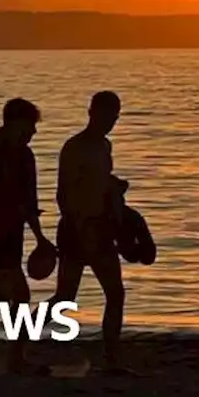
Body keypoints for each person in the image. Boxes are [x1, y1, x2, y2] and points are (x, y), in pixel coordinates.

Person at [49, 90, 129, 371]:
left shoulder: (105, 146)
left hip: (101, 227)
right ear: (92, 112)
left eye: (115, 117)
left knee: (115, 293)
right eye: (107, 115)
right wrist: (79, 224)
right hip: (77, 229)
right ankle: (20, 339)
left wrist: (114, 187)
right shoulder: (75, 147)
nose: (111, 122)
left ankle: (111, 359)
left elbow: (99, 181)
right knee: (64, 298)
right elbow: (63, 193)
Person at [0, 97, 52, 373]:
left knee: (0, 300)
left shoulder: (26, 157)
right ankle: (15, 359)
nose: (34, 132)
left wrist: (40, 238)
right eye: (30, 125)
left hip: (14, 233)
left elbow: (30, 204)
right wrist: (10, 206)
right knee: (18, 295)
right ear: (16, 123)